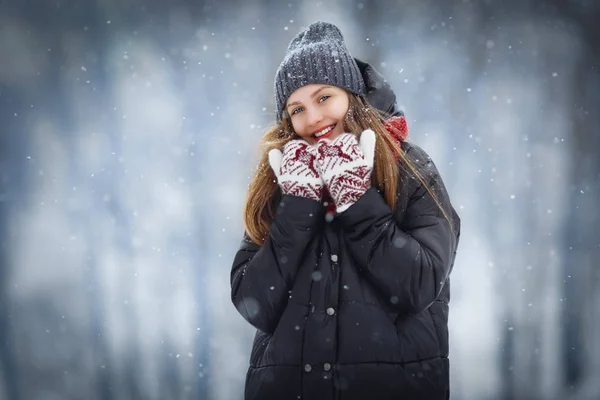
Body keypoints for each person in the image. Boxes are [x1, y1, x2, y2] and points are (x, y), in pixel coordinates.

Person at [230, 21, 461, 400]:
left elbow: (420, 284)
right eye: (297, 109)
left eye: (324, 98)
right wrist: (298, 205)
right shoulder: (282, 179)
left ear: (353, 95)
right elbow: (253, 301)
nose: (313, 118)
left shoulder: (408, 168)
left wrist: (356, 201)